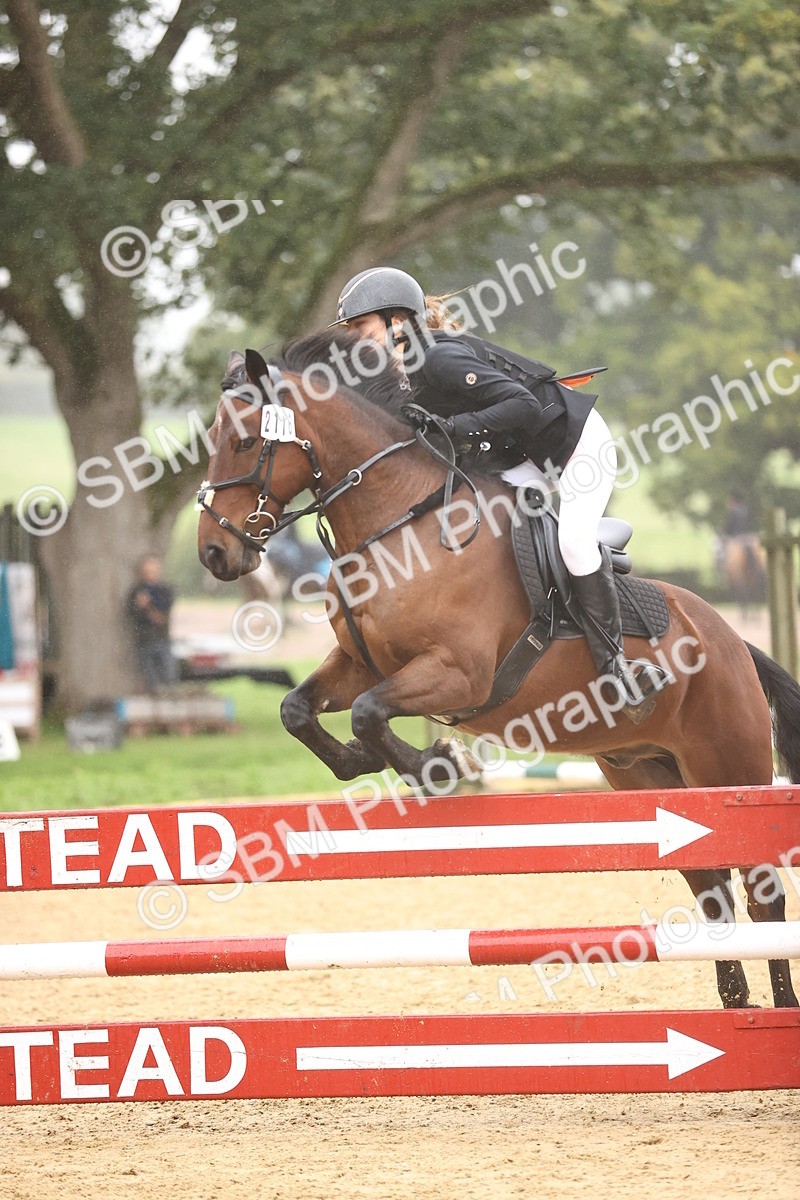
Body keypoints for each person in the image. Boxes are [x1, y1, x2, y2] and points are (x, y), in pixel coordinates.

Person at [331, 266, 670, 712]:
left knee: (572, 540)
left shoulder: (436, 358)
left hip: (574, 443)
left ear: (398, 321)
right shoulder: (398, 375)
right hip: (520, 455)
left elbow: (523, 405)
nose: (353, 338)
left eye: (361, 325)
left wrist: (452, 427)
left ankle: (617, 669)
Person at [126, 555, 177, 694]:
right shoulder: (136, 591)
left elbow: (162, 616)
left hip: (162, 639)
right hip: (143, 641)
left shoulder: (165, 590)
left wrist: (147, 606)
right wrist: (138, 606)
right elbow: (131, 613)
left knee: (168, 676)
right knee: (151, 681)